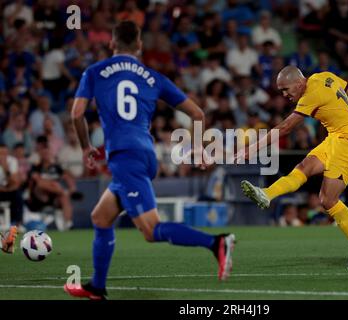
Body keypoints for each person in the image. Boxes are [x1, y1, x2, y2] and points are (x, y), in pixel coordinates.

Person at [64, 21, 235, 300]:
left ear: (112, 44)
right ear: (140, 46)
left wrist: (85, 146)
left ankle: (217, 243)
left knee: (151, 230)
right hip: (144, 154)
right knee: (101, 216)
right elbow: (198, 113)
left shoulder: (94, 72)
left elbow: (76, 113)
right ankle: (97, 286)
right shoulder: (153, 77)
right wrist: (200, 148)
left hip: (125, 157)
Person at [239, 65, 348, 269]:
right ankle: (266, 194)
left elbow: (285, 127)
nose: (285, 95)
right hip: (336, 138)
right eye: (281, 91)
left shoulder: (310, 96)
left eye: (286, 89)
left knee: (327, 200)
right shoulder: (324, 77)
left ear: (299, 83)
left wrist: (252, 148)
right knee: (303, 167)